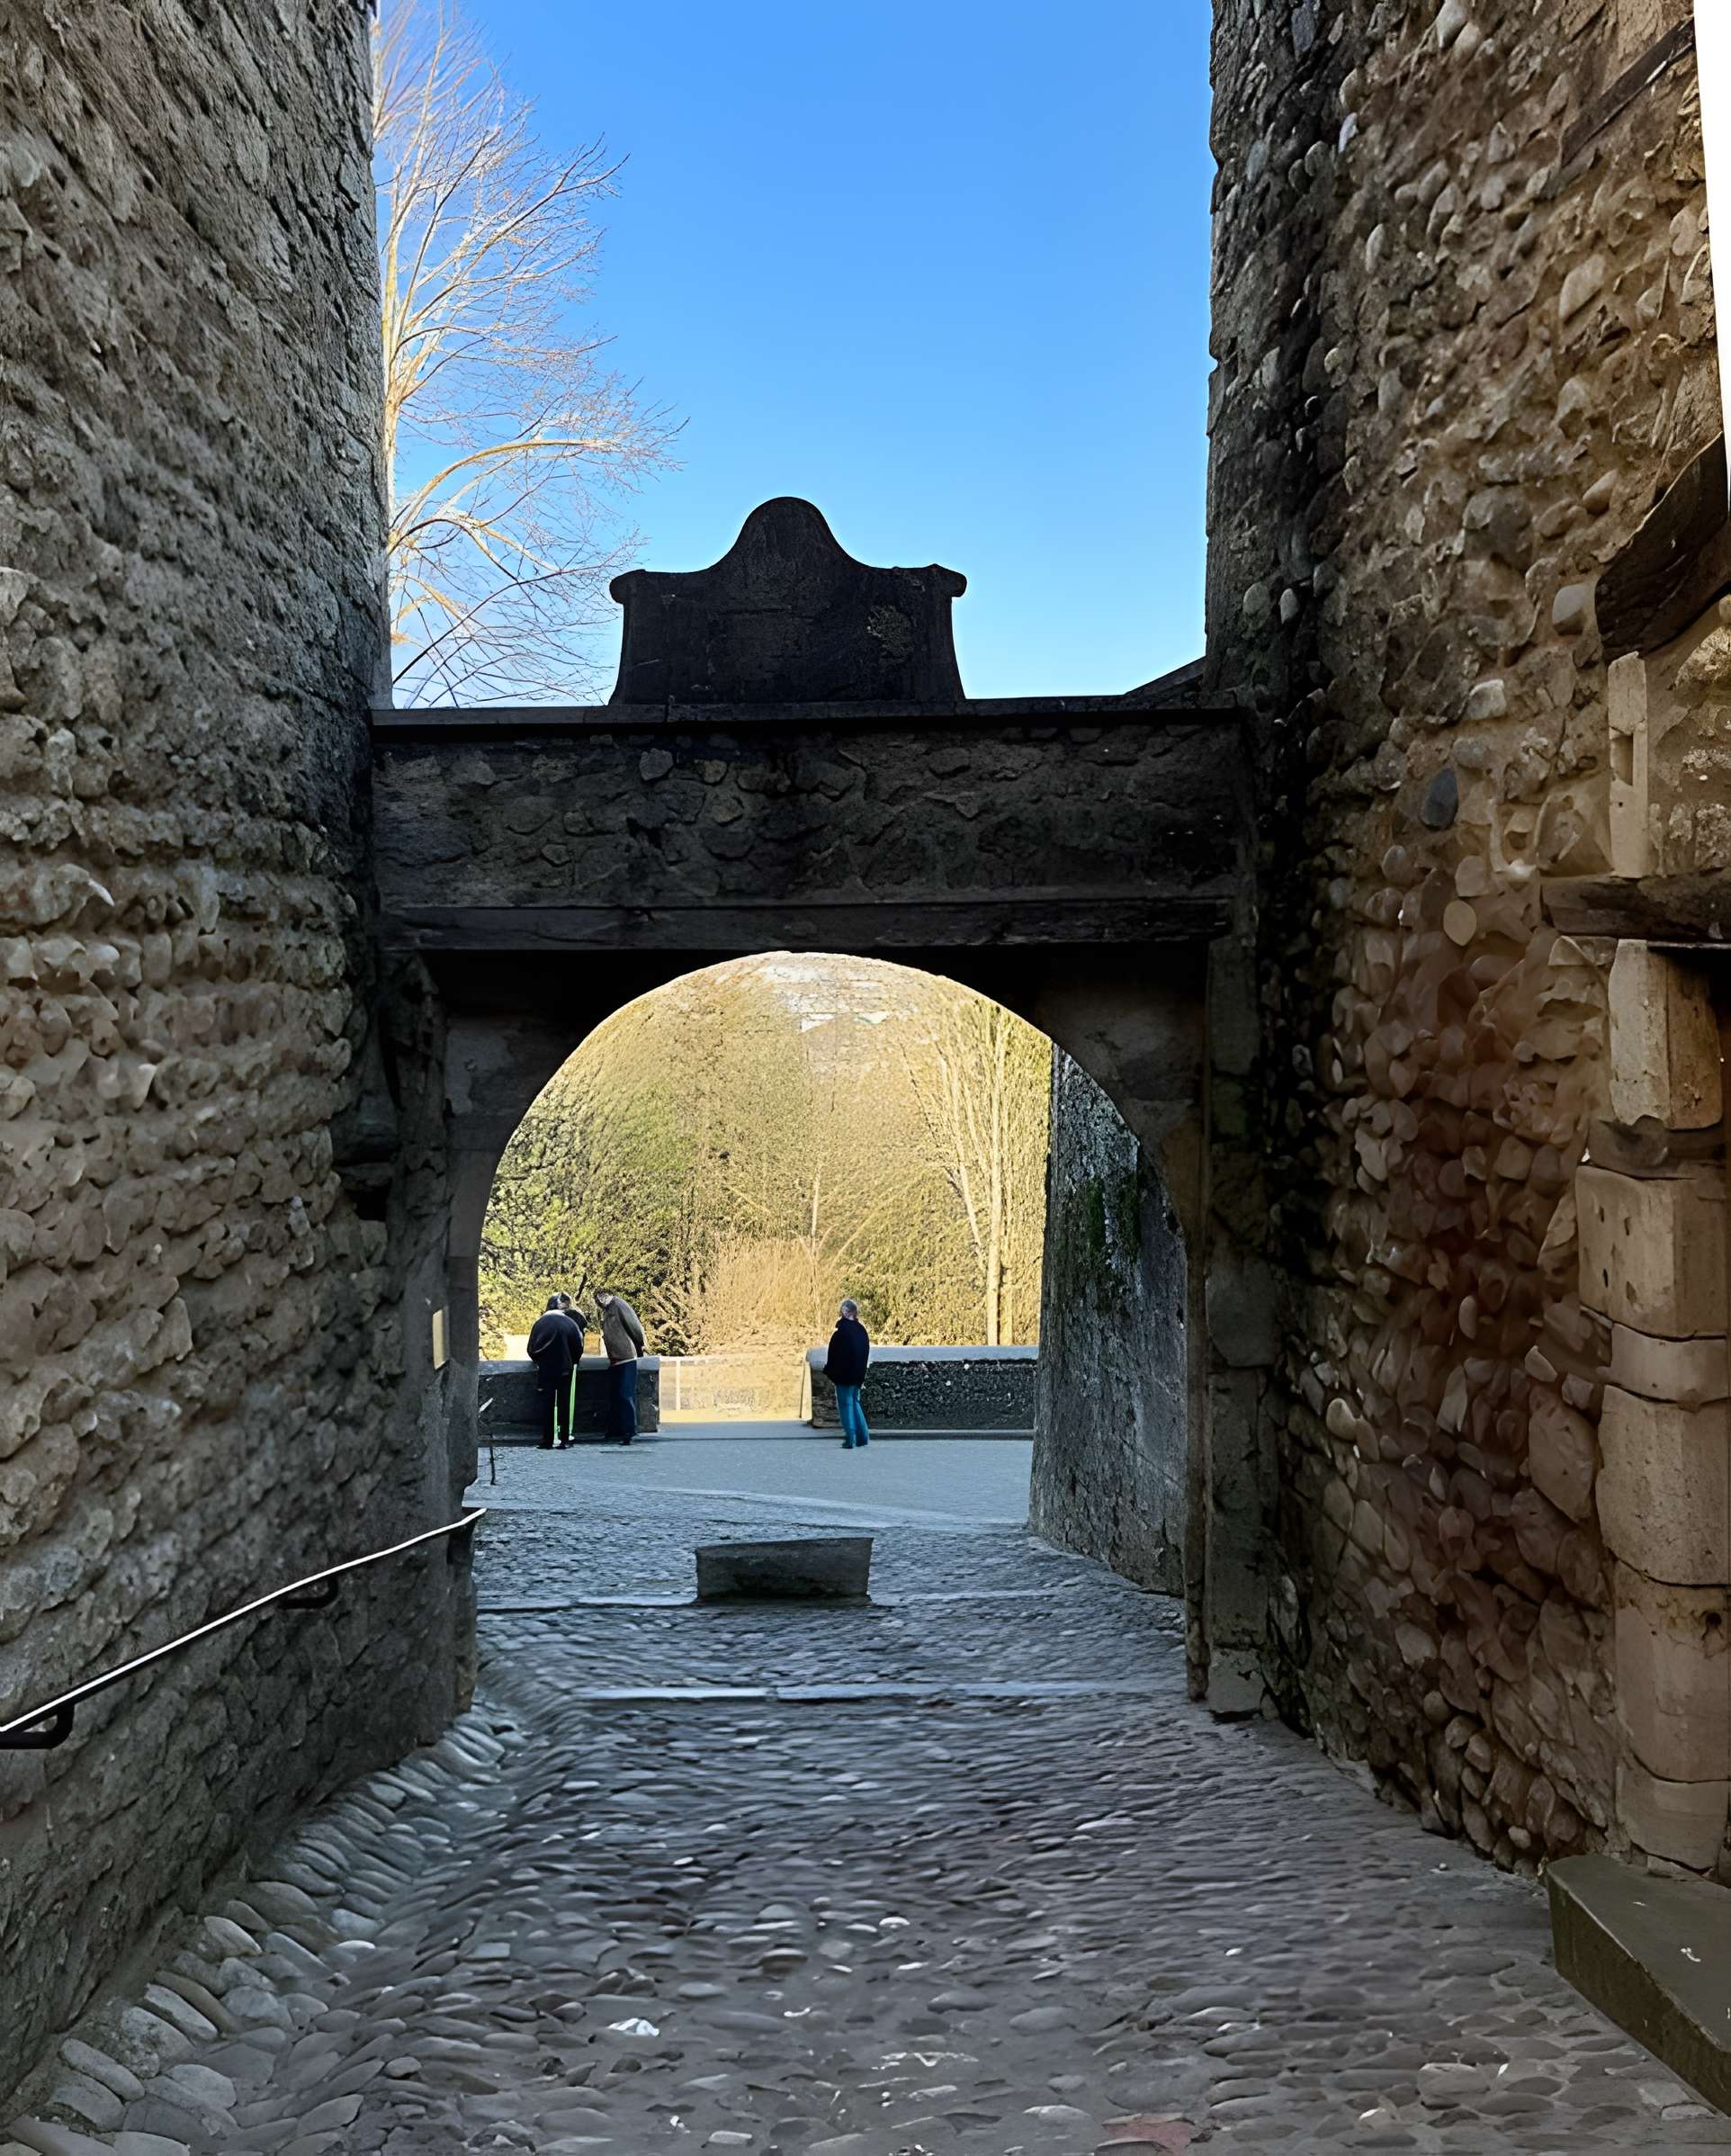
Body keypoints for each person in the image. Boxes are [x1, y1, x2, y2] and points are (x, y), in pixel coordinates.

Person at [526, 1292, 584, 1449]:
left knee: (547, 1404)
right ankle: (564, 1439)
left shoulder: (540, 1323)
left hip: (546, 1368)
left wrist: (539, 1361)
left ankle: (547, 1440)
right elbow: (578, 1347)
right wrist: (573, 1361)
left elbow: (531, 1348)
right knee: (564, 1403)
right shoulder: (570, 1323)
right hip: (566, 1368)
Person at [595, 1289, 646, 1444]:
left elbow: (635, 1327)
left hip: (625, 1358)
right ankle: (617, 1430)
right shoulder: (610, 1308)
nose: (597, 1304)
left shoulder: (619, 1305)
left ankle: (628, 1432)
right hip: (616, 1359)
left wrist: (640, 1345)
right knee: (617, 1397)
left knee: (625, 1395)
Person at [824, 1297, 871, 1451]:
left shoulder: (841, 1332)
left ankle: (850, 1437)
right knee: (855, 1402)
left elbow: (835, 1356)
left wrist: (832, 1371)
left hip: (844, 1375)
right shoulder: (861, 1331)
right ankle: (863, 1436)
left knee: (846, 1404)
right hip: (858, 1374)